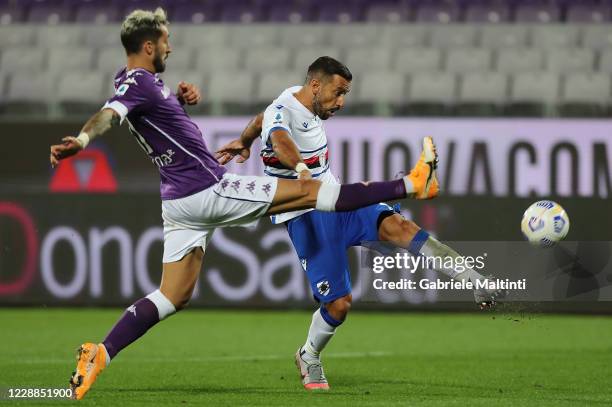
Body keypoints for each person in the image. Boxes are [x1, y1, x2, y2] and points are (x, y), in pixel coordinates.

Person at [48, 9, 438, 400]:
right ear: (149, 45)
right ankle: (410, 183)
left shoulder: (137, 82)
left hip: (176, 202)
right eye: (166, 40)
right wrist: (82, 141)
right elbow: (108, 115)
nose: (170, 45)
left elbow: (150, 119)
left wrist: (179, 103)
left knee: (172, 295)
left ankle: (99, 353)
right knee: (313, 192)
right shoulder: (140, 85)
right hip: (208, 189)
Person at [215, 56, 501, 391]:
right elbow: (279, 138)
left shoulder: (294, 95)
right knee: (339, 304)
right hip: (305, 212)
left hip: (336, 201)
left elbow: (261, 119)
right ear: (316, 85)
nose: (341, 102)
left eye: (345, 94)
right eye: (338, 93)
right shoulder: (286, 111)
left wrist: (244, 141)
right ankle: (309, 354)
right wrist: (302, 170)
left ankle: (474, 280)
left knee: (401, 227)